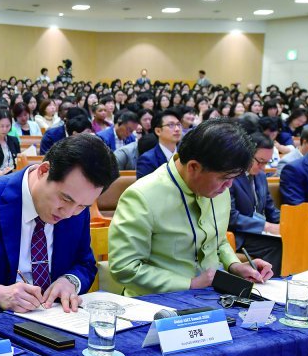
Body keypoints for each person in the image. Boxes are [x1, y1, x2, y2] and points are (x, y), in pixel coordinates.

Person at [0, 134, 117, 321]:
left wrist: (70, 281)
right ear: (44, 171)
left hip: (52, 322)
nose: (68, 213)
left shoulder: (77, 209)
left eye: (82, 206)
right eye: (65, 199)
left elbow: (84, 263)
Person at [108, 119, 273, 297]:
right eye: (225, 178)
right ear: (194, 167)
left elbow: (217, 240)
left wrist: (234, 265)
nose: (229, 185)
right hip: (157, 303)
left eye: (234, 177)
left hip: (212, 295)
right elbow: (124, 267)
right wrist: (189, 283)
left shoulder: (219, 189)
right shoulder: (143, 196)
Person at [229, 134, 282, 275]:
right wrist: (267, 227)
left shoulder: (260, 175)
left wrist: (289, 223)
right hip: (238, 234)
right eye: (260, 161)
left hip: (259, 232)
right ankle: (270, 286)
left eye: (267, 162)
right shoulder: (230, 176)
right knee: (276, 245)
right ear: (247, 154)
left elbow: (271, 210)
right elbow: (231, 217)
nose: (263, 167)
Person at [135, 109, 183, 178]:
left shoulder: (186, 156)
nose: (177, 129)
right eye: (171, 125)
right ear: (158, 131)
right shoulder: (147, 160)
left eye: (178, 124)